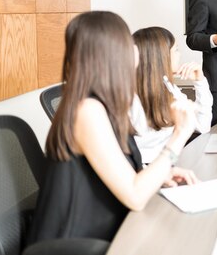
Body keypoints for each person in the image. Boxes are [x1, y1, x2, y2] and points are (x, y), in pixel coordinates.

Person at [27, 12, 198, 244]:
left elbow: (117, 174)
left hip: (108, 230)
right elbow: (135, 197)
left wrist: (159, 175)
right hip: (78, 244)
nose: (135, 49)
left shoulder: (103, 105)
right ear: (112, 53)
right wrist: (180, 134)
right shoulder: (87, 110)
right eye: (127, 42)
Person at [131, 26, 213, 164]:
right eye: (176, 50)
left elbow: (203, 126)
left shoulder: (168, 86)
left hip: (170, 163)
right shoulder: (132, 99)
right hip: (150, 170)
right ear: (161, 56)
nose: (179, 55)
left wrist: (200, 81)